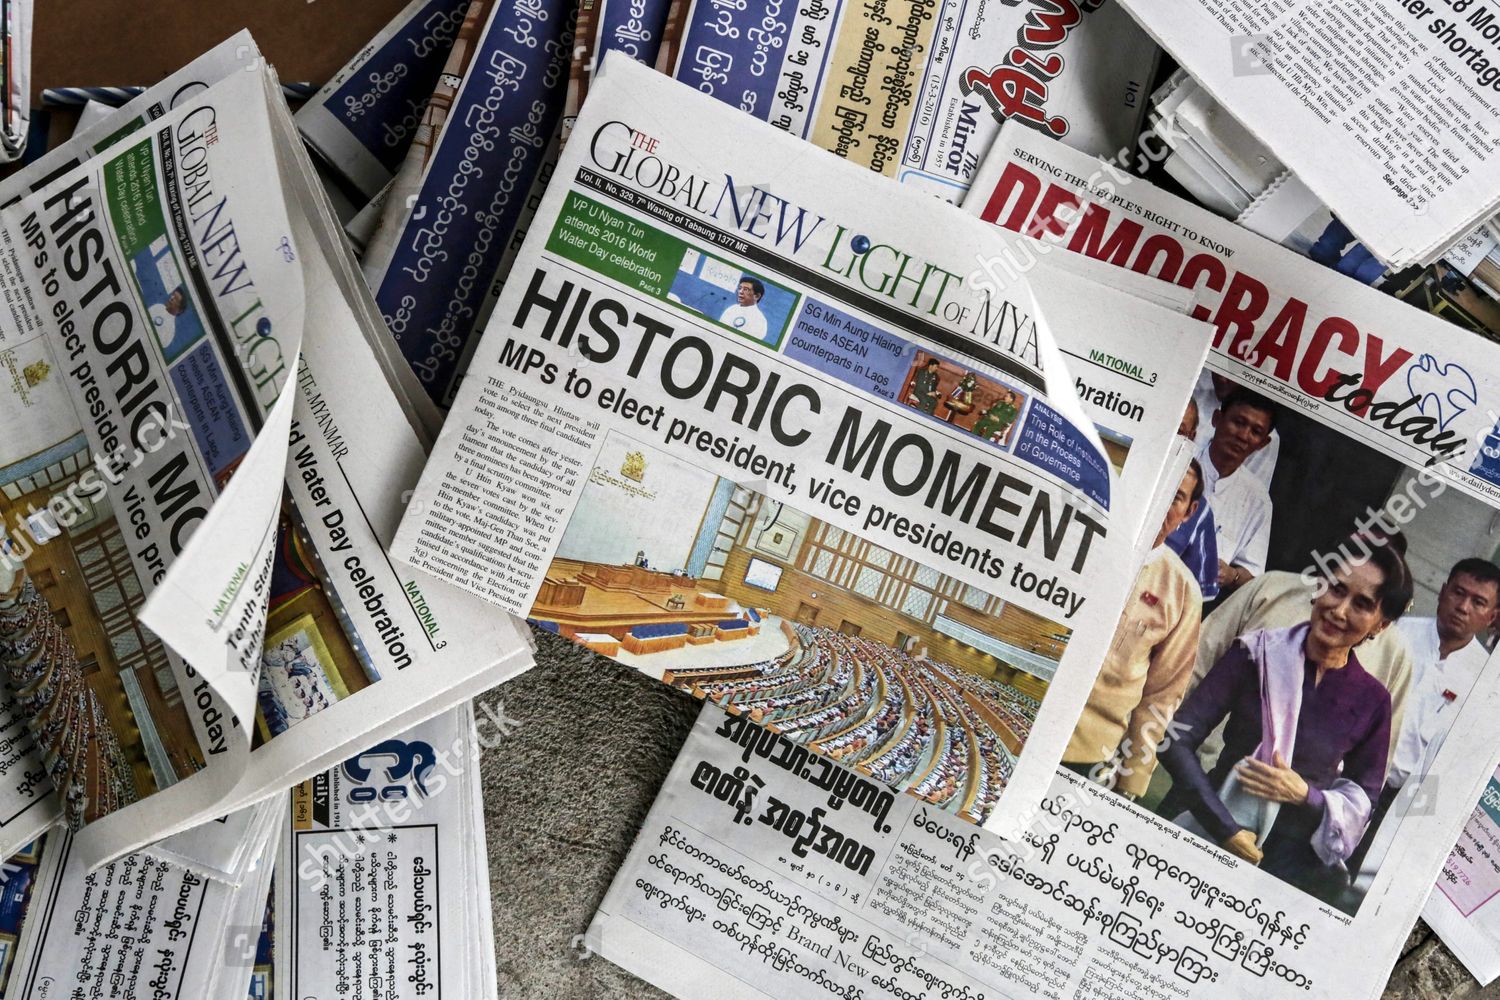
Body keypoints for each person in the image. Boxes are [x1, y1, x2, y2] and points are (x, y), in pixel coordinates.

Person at [1159, 543, 1411, 906]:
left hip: (1292, 872)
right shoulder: (1256, 653)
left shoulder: (1373, 701)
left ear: (1381, 625)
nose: (1339, 610)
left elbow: (1362, 800)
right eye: (1336, 589)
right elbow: (1176, 740)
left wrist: (1305, 795)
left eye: (1362, 604)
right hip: (1212, 825)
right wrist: (1226, 830)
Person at [1349, 558, 1500, 874]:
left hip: (1403, 804)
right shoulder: (1395, 634)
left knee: (1358, 881)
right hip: (1350, 776)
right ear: (1443, 592)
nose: (1463, 606)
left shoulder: (1483, 680)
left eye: (1478, 602)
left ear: (1492, 616)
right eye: (1458, 593)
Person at [1063, 461, 1203, 797]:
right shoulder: (1075, 539)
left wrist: (1132, 782)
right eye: (1159, 490)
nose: (1163, 503)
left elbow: (1162, 695)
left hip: (1090, 755)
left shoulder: (1182, 591)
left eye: (1176, 498)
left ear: (1189, 511)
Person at [1175, 387, 1277, 595]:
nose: (1243, 436)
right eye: (1238, 422)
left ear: (1263, 443)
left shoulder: (1259, 501)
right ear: (1217, 419)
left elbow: (1253, 576)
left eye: (1256, 432)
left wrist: (1232, 575)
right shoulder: (1180, 461)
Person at [1192, 372, 1280, 483]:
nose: (1223, 378)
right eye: (1219, 369)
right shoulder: (1192, 396)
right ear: (1217, 418)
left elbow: (1251, 489)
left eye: (1232, 373)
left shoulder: (1267, 431)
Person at [149, 287, 190, 352]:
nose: (171, 298)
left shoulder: (171, 329)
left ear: (180, 310)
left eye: (176, 299)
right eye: (173, 295)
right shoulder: (158, 306)